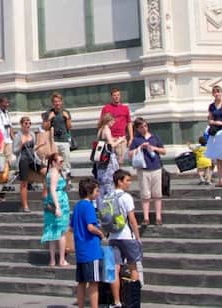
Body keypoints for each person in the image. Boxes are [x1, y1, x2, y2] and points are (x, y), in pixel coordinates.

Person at [106, 170, 142, 301]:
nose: (129, 183)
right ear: (119, 182)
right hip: (127, 236)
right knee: (133, 267)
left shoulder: (107, 196)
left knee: (114, 269)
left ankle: (116, 301)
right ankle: (134, 300)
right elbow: (132, 219)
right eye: (127, 180)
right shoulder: (126, 197)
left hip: (112, 237)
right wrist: (137, 237)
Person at [71, 178, 105, 308]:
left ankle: (81, 306)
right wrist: (100, 233)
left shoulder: (78, 206)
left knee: (81, 282)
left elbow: (72, 227)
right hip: (91, 250)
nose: (97, 193)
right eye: (96, 190)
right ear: (89, 191)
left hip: (81, 249)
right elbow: (90, 227)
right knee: (93, 282)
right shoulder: (89, 206)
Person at [129, 117, 166, 226]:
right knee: (145, 194)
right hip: (143, 169)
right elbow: (130, 154)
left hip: (156, 167)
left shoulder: (155, 137)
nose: (144, 128)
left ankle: (158, 216)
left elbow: (164, 151)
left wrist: (154, 148)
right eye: (141, 127)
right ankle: (146, 217)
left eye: (145, 126)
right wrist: (140, 147)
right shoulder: (136, 140)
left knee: (157, 193)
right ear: (137, 129)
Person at [41, 153, 71, 267]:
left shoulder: (52, 172)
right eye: (60, 161)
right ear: (53, 162)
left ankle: (53, 260)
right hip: (59, 202)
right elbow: (53, 190)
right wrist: (58, 206)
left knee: (53, 231)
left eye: (62, 161)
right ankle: (61, 259)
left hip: (52, 201)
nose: (62, 163)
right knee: (61, 231)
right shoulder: (54, 173)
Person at [13, 116, 43, 212]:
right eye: (26, 123)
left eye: (29, 123)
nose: (28, 125)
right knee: (24, 182)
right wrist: (21, 145)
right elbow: (15, 151)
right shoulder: (18, 135)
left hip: (32, 158)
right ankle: (25, 205)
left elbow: (33, 148)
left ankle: (46, 198)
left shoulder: (32, 134)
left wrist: (40, 147)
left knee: (46, 172)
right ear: (21, 124)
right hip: (23, 159)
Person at [41, 92, 74, 179]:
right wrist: (49, 119)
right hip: (53, 141)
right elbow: (45, 128)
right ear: (53, 103)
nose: (57, 103)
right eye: (55, 101)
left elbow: (69, 127)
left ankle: (67, 181)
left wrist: (67, 118)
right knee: (53, 162)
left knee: (66, 162)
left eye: (59, 101)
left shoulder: (66, 112)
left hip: (64, 140)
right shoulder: (48, 113)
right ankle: (55, 180)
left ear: (61, 102)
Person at [204, 85, 222, 186]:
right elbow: (209, 119)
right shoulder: (211, 106)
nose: (217, 94)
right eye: (215, 92)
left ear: (221, 93)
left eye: (218, 91)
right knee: (218, 156)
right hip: (216, 131)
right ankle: (221, 179)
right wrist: (216, 123)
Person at [100, 87, 133, 163]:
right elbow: (102, 122)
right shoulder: (106, 108)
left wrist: (131, 137)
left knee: (119, 162)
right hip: (109, 138)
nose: (116, 97)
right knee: (108, 162)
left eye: (118, 95)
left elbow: (129, 123)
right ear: (111, 97)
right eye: (114, 95)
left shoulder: (125, 108)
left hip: (120, 138)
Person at [93, 113, 119, 203]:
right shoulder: (106, 129)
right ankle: (109, 210)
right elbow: (111, 145)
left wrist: (113, 139)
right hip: (108, 161)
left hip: (100, 162)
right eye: (112, 122)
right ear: (109, 121)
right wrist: (120, 140)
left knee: (102, 187)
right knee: (109, 185)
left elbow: (105, 141)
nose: (113, 124)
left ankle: (102, 210)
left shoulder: (100, 130)